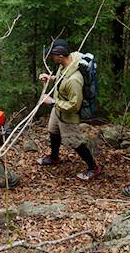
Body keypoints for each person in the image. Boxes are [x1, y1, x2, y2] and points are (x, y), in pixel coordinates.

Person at [37, 39, 102, 181]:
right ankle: (54, 158)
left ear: (60, 56)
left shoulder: (74, 79)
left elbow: (74, 105)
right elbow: (61, 80)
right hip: (58, 109)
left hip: (68, 114)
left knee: (74, 142)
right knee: (53, 130)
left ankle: (94, 168)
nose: (50, 58)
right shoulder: (67, 63)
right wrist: (51, 79)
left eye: (52, 55)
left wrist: (52, 101)